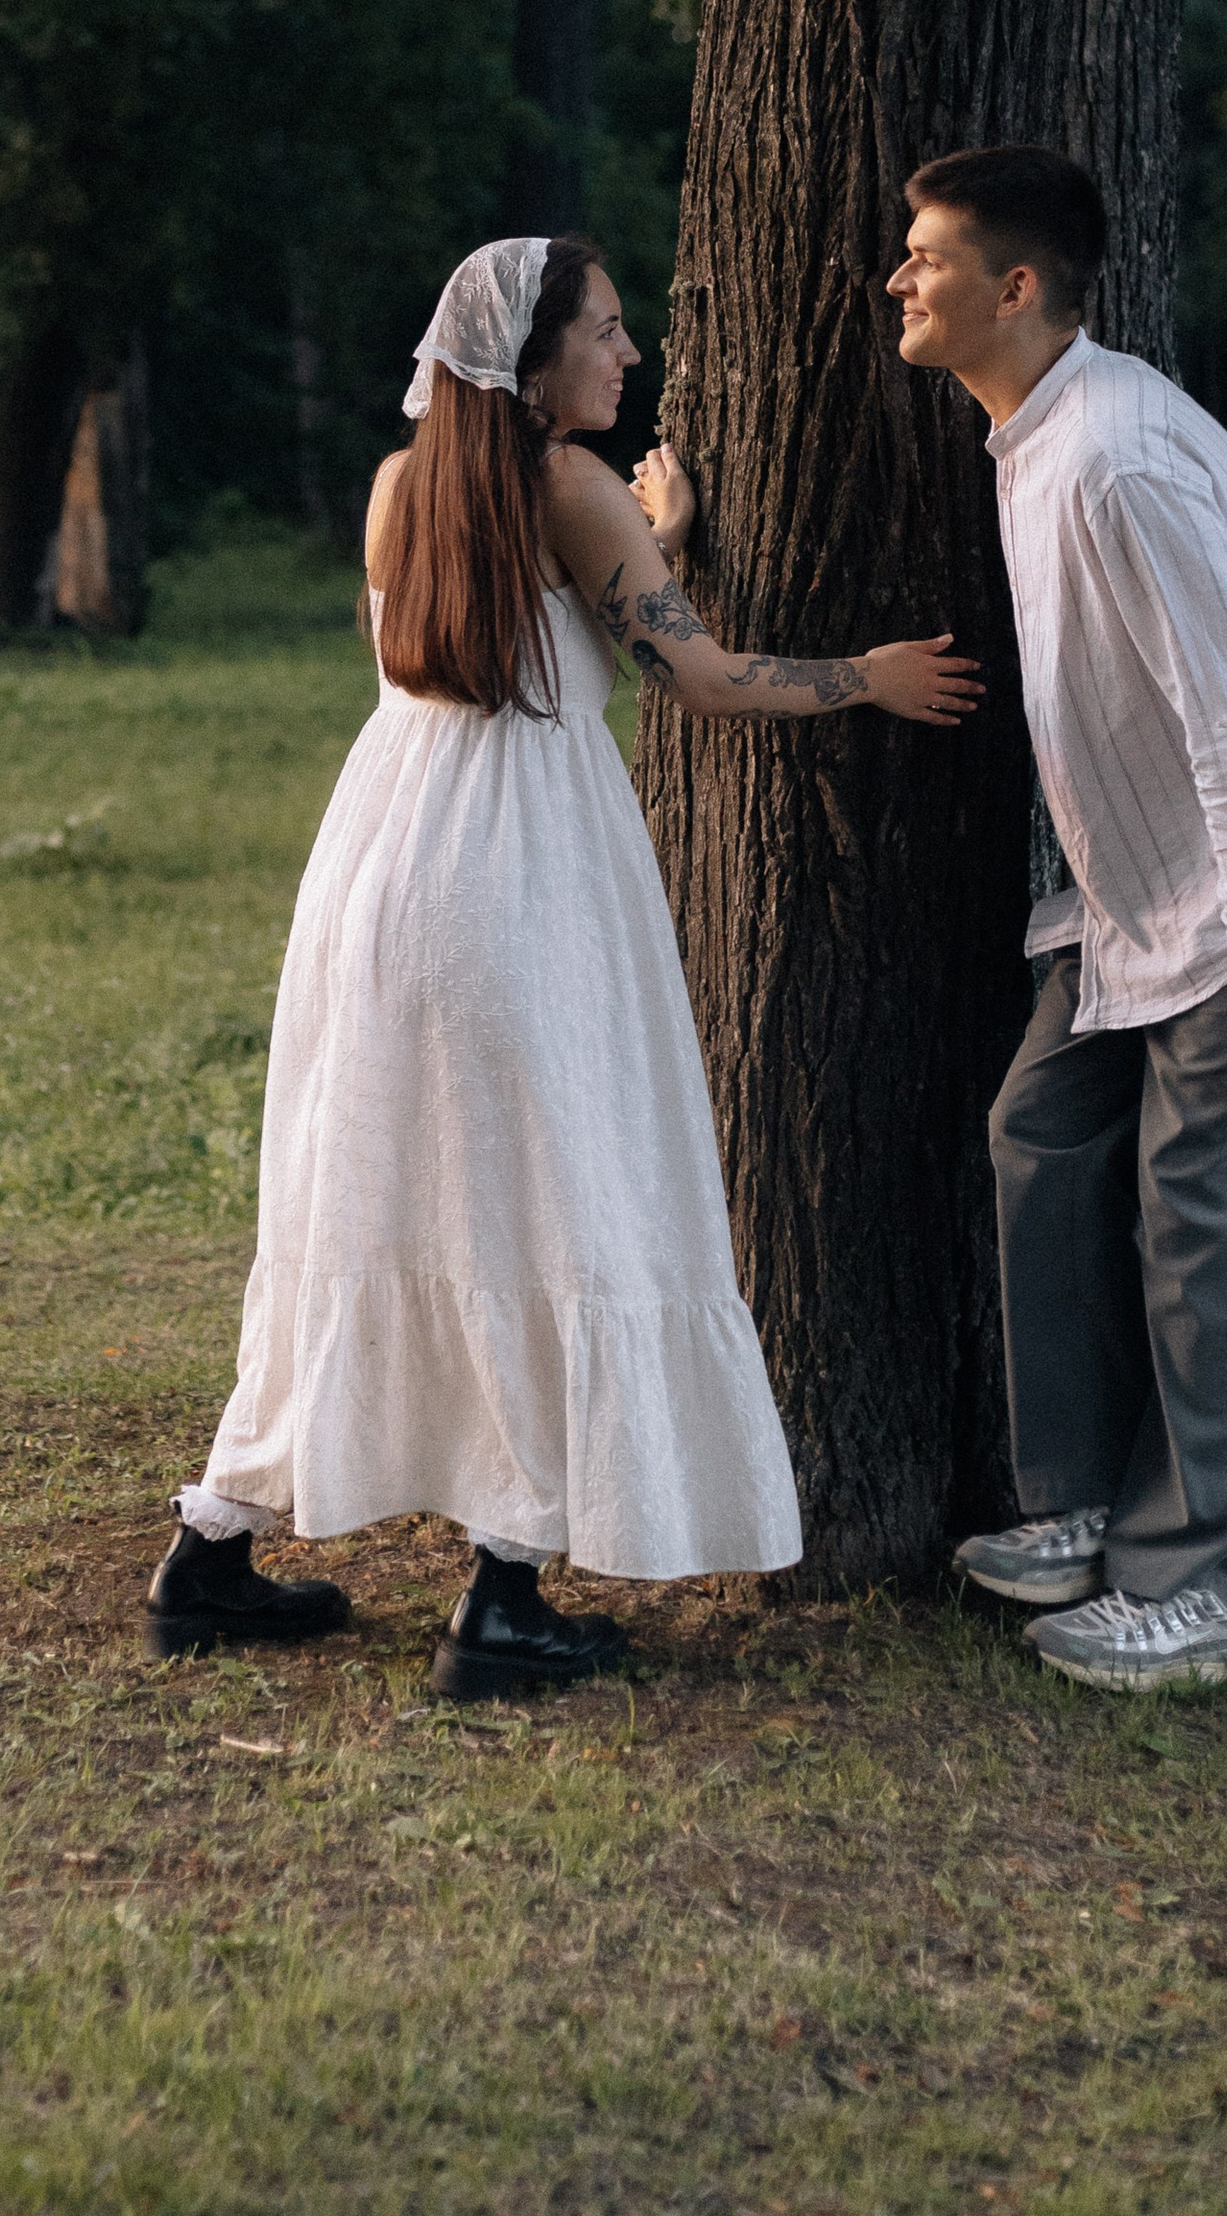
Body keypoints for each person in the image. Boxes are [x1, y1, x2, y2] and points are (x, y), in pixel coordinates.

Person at [145, 233, 982, 1697]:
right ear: (531, 364)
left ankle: (212, 1548)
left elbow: (462, 635)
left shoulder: (402, 488)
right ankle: (506, 1590)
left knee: (376, 1186)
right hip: (521, 863)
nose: (630, 354)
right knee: (549, 1192)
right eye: (604, 331)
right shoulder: (574, 491)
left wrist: (652, 533)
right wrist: (867, 675)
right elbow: (700, 678)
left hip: (384, 854)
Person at [889, 147, 1227, 1693]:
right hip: (1145, 897)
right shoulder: (1034, 435)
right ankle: (1082, 1505)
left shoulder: (1116, 453)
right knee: (1043, 1138)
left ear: (1016, 287)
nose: (896, 281)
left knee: (1207, 1224)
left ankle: (1198, 1587)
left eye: (925, 257)